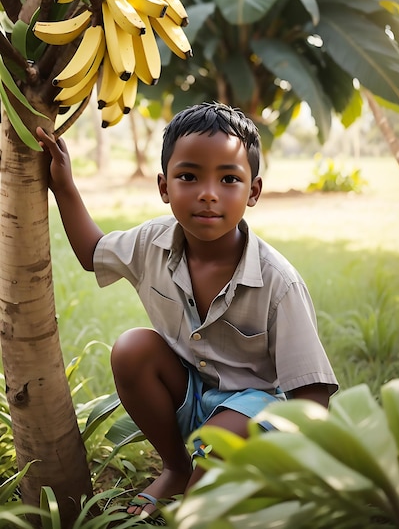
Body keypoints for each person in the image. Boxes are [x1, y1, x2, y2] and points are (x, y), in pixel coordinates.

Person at [37, 102, 338, 525]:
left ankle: (205, 487)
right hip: (194, 396)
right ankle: (176, 468)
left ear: (253, 191)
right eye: (189, 176)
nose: (208, 192)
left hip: (258, 415)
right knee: (132, 349)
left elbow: (312, 395)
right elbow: (93, 254)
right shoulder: (152, 242)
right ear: (164, 186)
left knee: (201, 502)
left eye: (229, 179)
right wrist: (63, 186)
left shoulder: (278, 282)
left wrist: (289, 464)